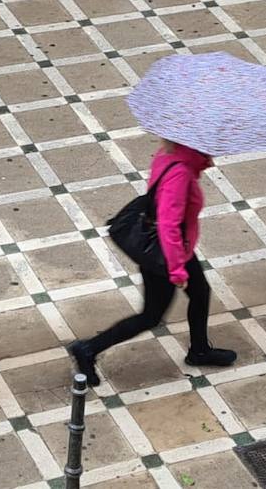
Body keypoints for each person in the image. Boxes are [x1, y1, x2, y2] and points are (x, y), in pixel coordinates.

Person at [69, 140, 237, 386]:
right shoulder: (180, 173)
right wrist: (176, 269)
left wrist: (200, 165)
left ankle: (199, 350)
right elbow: (168, 224)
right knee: (150, 316)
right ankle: (87, 349)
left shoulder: (170, 155)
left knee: (200, 294)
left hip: (181, 249)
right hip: (167, 254)